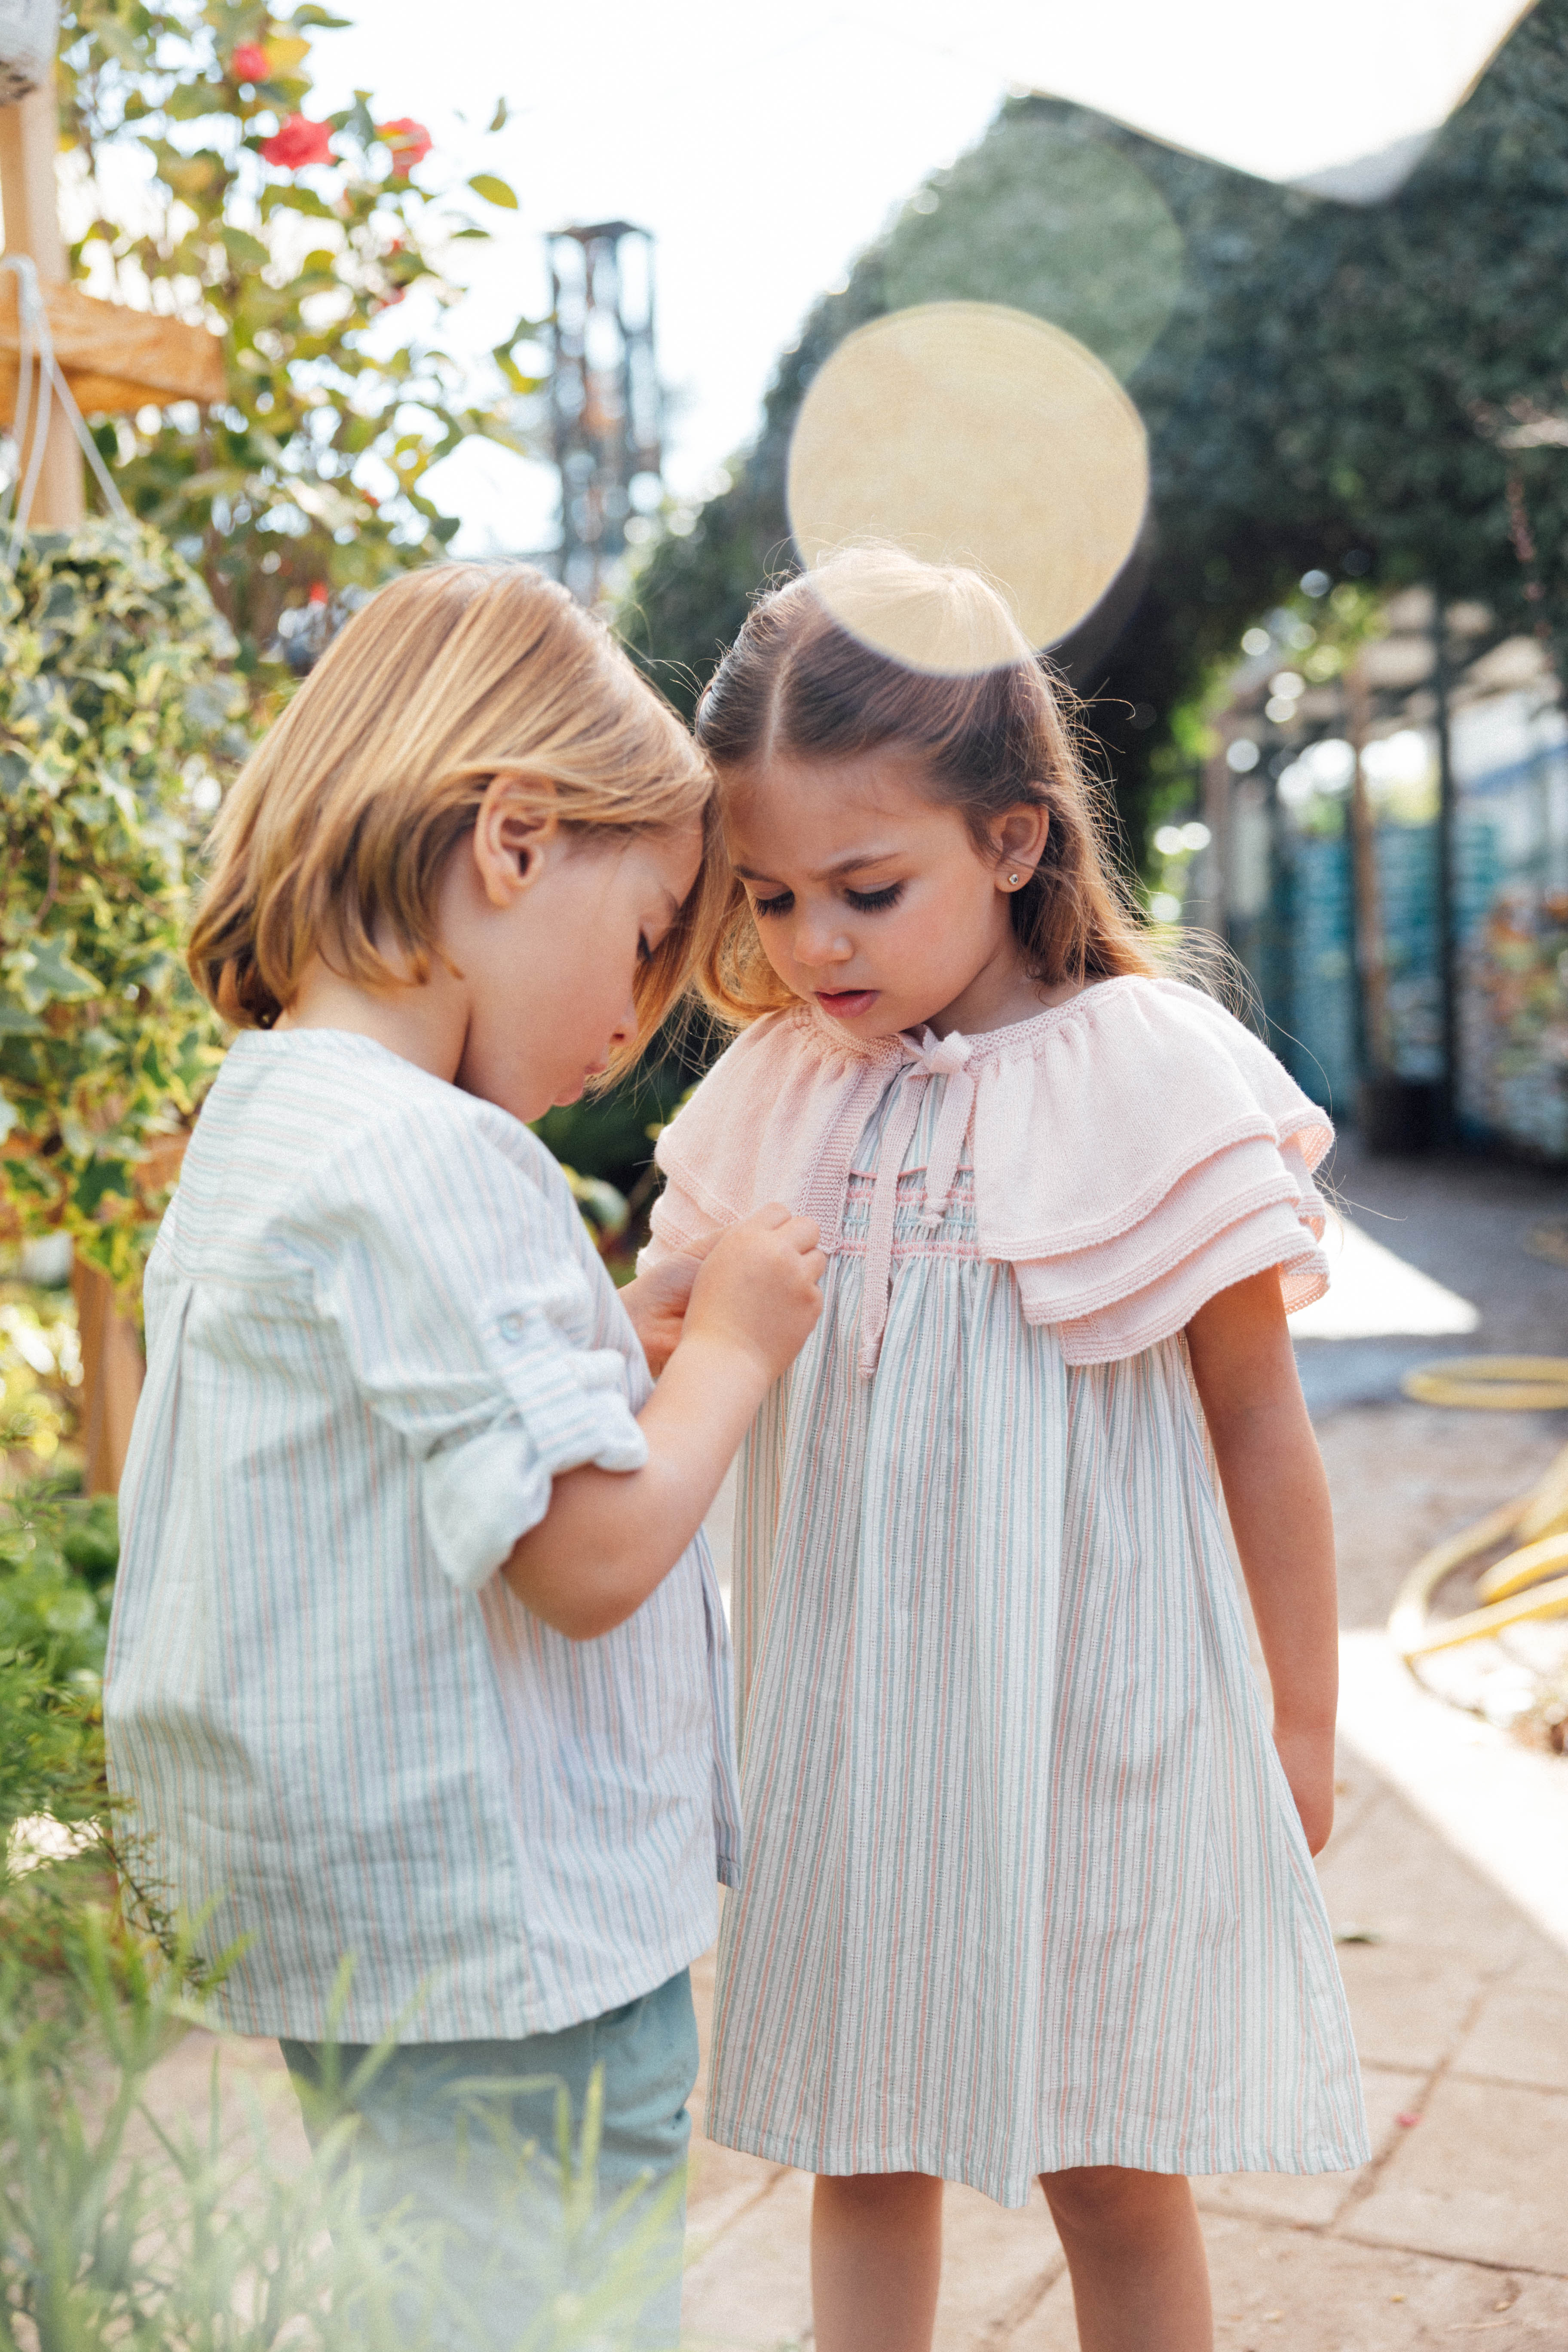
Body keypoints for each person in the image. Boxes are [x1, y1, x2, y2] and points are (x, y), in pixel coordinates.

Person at [640, 548, 1370, 2352]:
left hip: (1102, 1728)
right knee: (859, 2147)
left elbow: (1260, 1429)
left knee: (1113, 2163)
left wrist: (1296, 1719)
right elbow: (659, 1346)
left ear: (1016, 841)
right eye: (777, 896)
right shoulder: (778, 1094)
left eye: (867, 891)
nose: (816, 947)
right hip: (859, 1732)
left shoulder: (1153, 1070)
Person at [104, 563, 826, 2351]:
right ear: (514, 839)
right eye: (653, 930)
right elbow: (584, 1565)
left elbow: (429, 1437)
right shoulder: (436, 1158)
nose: (642, 1015)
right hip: (516, 1963)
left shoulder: (271, 1116)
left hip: (369, 1953)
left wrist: (617, 1357)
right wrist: (730, 1348)